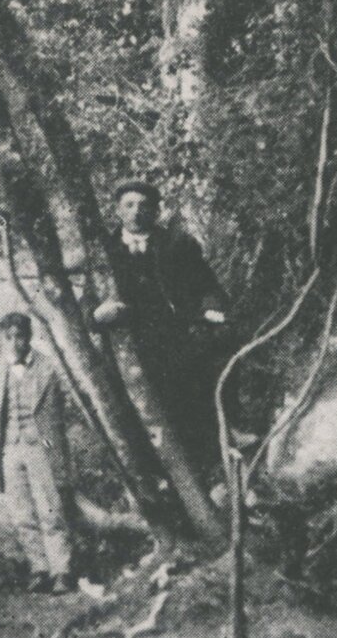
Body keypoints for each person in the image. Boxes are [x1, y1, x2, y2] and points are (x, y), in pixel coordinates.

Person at [90, 178, 242, 484]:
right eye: (129, 205)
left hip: (177, 336)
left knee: (193, 397)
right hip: (133, 348)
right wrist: (98, 316)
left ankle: (216, 465)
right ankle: (162, 481)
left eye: (144, 205)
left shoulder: (176, 244)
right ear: (118, 211)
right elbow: (88, 307)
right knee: (143, 414)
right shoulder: (105, 254)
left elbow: (207, 286)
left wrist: (210, 309)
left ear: (155, 210)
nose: (136, 212)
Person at [0, 311, 81, 594]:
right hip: (11, 450)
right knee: (22, 513)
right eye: (9, 338)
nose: (14, 343)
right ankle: (39, 569)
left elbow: (61, 412)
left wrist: (50, 442)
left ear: (29, 338)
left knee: (51, 510)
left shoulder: (47, 368)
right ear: (2, 340)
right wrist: (4, 442)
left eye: (20, 337)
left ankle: (61, 571)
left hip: (41, 448)